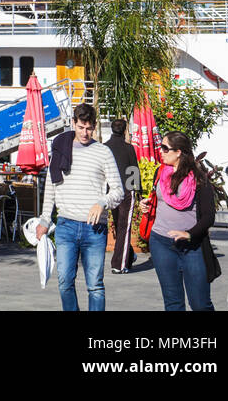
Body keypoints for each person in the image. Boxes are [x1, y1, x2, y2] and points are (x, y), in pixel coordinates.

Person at [36, 104, 123, 312]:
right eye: (81, 127)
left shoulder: (103, 152)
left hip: (94, 229)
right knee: (65, 282)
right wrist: (45, 220)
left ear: (94, 127)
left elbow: (119, 191)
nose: (85, 132)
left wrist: (102, 203)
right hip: (66, 225)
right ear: (73, 123)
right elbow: (51, 188)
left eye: (89, 128)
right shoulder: (60, 151)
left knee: (95, 286)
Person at [148, 131, 218, 312]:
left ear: (179, 152)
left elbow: (209, 215)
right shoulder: (160, 172)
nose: (160, 151)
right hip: (161, 243)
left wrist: (189, 233)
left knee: (200, 304)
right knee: (173, 304)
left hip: (191, 247)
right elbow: (158, 201)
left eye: (165, 148)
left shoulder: (199, 179)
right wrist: (146, 205)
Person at [105, 117, 142, 274]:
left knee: (119, 226)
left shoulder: (105, 147)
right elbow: (133, 170)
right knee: (124, 227)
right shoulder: (129, 148)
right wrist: (138, 192)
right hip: (126, 190)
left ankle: (128, 256)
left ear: (112, 130)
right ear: (125, 130)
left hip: (111, 191)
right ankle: (118, 264)